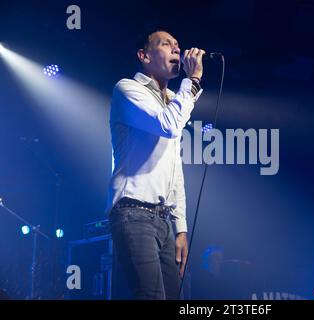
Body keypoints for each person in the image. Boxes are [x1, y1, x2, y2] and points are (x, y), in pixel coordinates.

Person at [106, 29, 205, 300]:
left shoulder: (174, 101)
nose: (177, 50)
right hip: (132, 212)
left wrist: (180, 228)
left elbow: (175, 170)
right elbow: (169, 125)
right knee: (151, 296)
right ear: (144, 55)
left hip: (162, 219)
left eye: (178, 45)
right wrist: (193, 80)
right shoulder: (127, 89)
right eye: (166, 44)